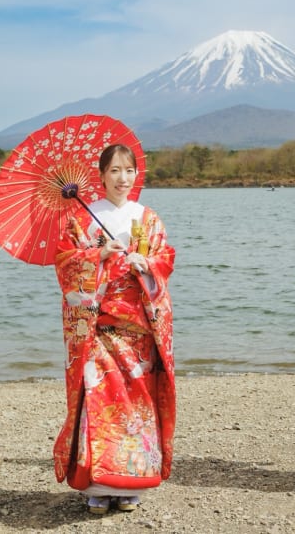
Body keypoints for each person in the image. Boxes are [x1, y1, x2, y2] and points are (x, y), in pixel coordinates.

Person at [51, 144, 176, 515]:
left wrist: (146, 264)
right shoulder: (82, 219)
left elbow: (165, 260)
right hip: (99, 325)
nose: (123, 179)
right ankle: (98, 485)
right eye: (115, 171)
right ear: (101, 175)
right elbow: (65, 261)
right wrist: (97, 256)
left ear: (138, 174)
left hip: (137, 325)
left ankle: (131, 481)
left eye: (129, 171)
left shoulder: (148, 218)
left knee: (137, 402)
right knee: (99, 400)